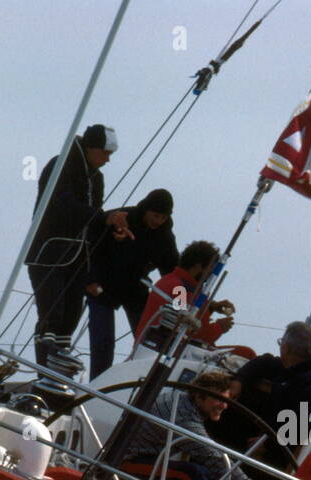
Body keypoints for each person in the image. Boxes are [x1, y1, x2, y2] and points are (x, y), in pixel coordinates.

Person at [26, 124, 131, 368]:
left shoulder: (97, 177)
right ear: (90, 148)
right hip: (49, 252)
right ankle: (45, 373)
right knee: (52, 315)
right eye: (105, 153)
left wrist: (112, 229)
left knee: (70, 318)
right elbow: (62, 205)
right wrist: (105, 217)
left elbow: (93, 216)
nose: (107, 160)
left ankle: (58, 377)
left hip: (78, 256)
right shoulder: (60, 165)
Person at [124, 370, 271, 480]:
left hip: (141, 455)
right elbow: (215, 458)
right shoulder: (183, 416)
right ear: (199, 396)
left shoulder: (181, 400)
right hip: (128, 460)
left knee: (201, 471)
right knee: (191, 472)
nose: (224, 406)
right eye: (218, 399)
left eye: (227, 400)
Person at [213, 321, 311, 480]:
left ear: (286, 347)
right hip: (263, 439)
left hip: (274, 459)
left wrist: (270, 444)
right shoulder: (295, 366)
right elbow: (264, 361)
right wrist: (239, 380)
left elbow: (307, 420)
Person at [84, 188, 180, 376]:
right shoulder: (120, 217)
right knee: (102, 342)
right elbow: (91, 248)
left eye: (163, 217)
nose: (158, 221)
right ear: (146, 210)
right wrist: (90, 279)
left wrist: (181, 300)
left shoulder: (165, 236)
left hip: (135, 287)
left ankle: (138, 381)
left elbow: (172, 271)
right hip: (102, 284)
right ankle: (96, 385)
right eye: (155, 215)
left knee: (148, 342)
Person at [133, 240, 236, 351]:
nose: (211, 274)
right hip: (165, 351)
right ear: (198, 266)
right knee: (245, 355)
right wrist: (219, 328)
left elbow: (188, 315)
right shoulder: (180, 289)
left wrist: (210, 307)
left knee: (244, 354)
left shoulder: (174, 282)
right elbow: (186, 333)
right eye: (211, 269)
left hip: (167, 348)